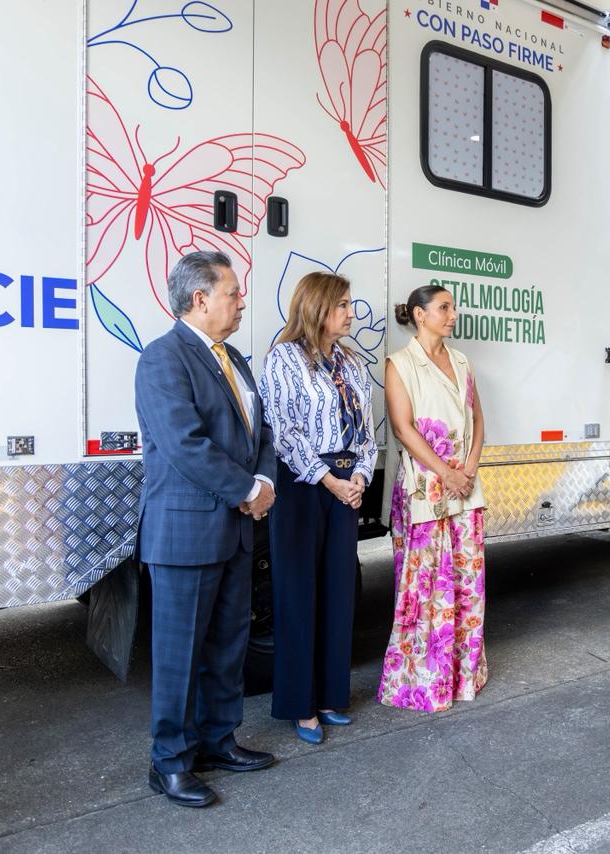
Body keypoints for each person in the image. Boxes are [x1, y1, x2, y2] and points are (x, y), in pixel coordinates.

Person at [134, 251, 278, 808]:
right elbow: (184, 445)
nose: (241, 301)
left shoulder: (233, 357)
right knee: (179, 655)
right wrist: (247, 491)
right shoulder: (163, 358)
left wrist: (264, 480)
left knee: (227, 645)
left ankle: (219, 741)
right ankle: (169, 763)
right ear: (200, 299)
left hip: (234, 530)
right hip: (187, 534)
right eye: (233, 292)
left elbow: (260, 431)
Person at [259, 273, 377, 744]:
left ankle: (330, 697)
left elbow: (366, 431)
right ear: (317, 307)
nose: (351, 313)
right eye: (342, 304)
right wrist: (329, 480)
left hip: (346, 484)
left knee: (338, 592)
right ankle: (300, 706)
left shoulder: (351, 362)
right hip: (304, 484)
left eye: (350, 303)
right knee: (298, 593)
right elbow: (282, 431)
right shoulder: (283, 358)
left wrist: (360, 476)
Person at [377, 285, 488, 712]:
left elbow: (478, 419)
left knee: (466, 582)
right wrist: (448, 473)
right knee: (426, 585)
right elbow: (403, 428)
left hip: (465, 486)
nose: (453, 314)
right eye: (444, 307)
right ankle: (423, 680)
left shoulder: (462, 361)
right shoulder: (400, 364)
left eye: (453, 307)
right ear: (420, 315)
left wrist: (469, 468)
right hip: (426, 488)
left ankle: (462, 674)